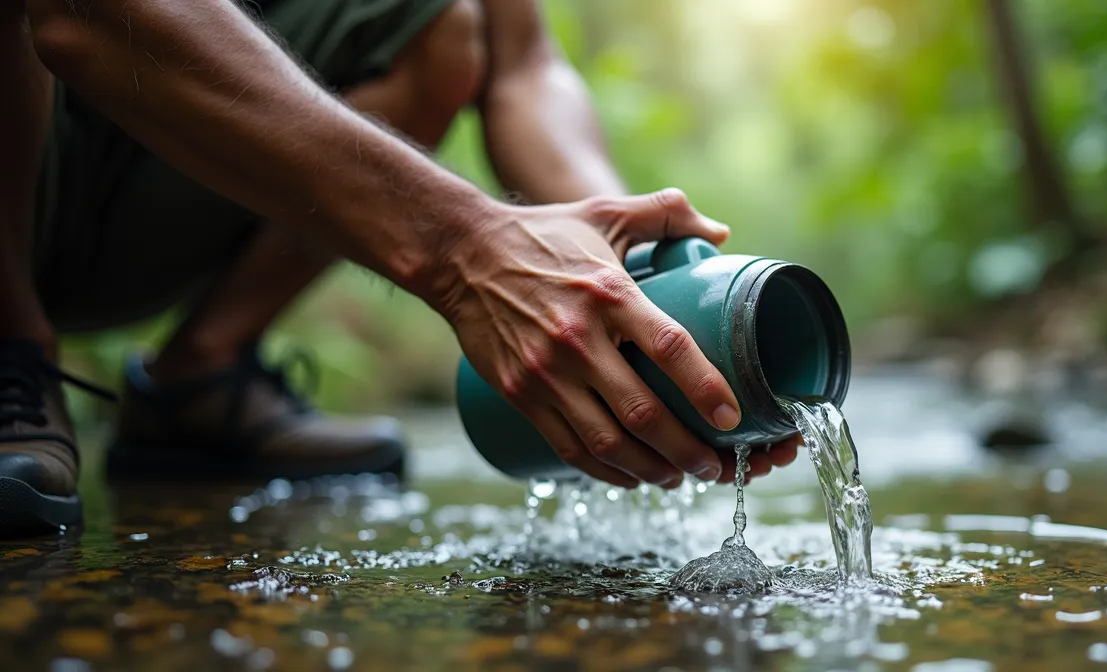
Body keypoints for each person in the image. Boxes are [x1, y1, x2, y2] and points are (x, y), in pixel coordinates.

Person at [0, 0, 801, 536]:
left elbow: (524, 64)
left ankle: (199, 377)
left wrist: (629, 279)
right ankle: (12, 346)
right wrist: (467, 248)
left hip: (155, 175)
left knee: (442, 21)